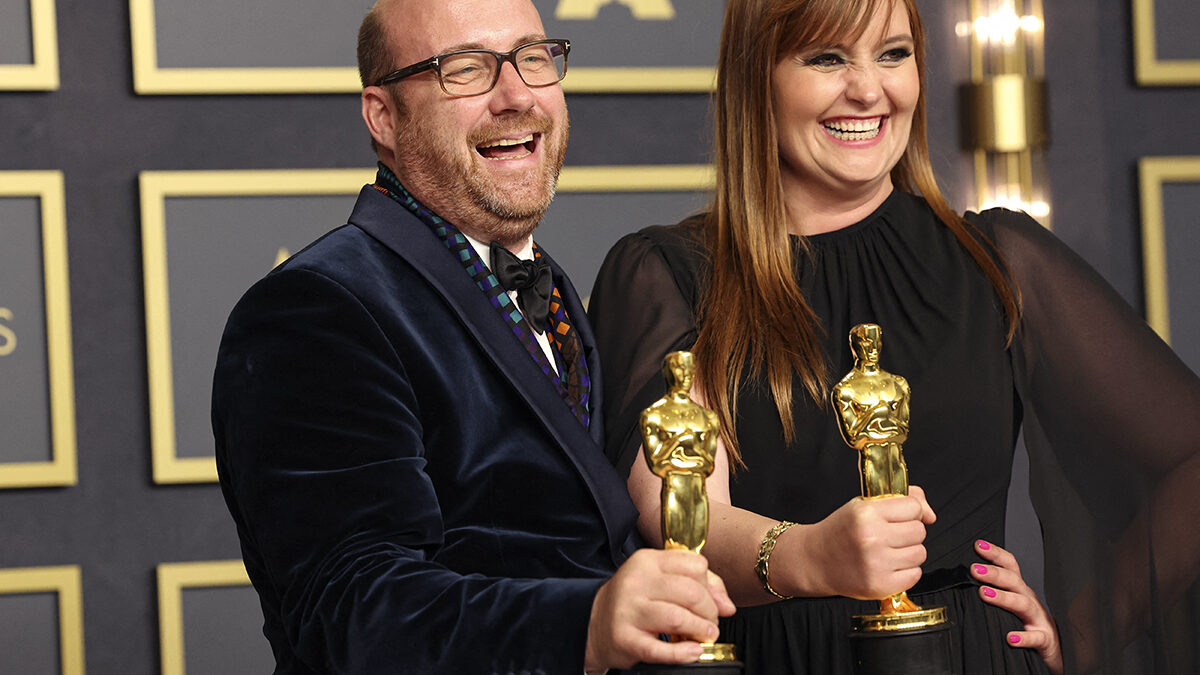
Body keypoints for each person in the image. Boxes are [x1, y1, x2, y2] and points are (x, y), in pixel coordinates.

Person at [588, 0, 1200, 673]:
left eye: (893, 54)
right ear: (756, 76)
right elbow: (683, 522)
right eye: (828, 58)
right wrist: (811, 556)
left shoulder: (996, 260)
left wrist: (1081, 639)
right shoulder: (670, 273)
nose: (869, 89)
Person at [210, 0, 733, 672]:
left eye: (533, 58)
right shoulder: (314, 308)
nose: (517, 95)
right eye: (465, 69)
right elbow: (352, 610)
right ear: (383, 116)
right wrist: (584, 623)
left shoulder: (543, 284)